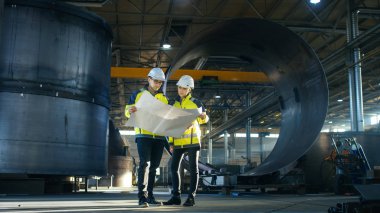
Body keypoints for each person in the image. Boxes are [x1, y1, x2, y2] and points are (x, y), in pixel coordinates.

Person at [125, 67, 168, 207]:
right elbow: (127, 111)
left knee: (154, 167)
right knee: (144, 164)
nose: (158, 84)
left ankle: (150, 196)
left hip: (160, 136)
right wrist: (130, 111)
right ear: (149, 79)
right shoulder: (138, 94)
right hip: (144, 134)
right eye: (156, 81)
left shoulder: (164, 98)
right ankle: (141, 197)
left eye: (160, 82)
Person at [163, 75, 209, 207]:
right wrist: (171, 142)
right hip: (177, 141)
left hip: (192, 141)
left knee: (193, 169)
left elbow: (204, 120)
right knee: (174, 168)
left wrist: (204, 116)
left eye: (184, 88)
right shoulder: (173, 104)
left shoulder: (196, 103)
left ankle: (191, 197)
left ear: (190, 89)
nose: (181, 90)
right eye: (179, 88)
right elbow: (171, 124)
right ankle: (175, 196)